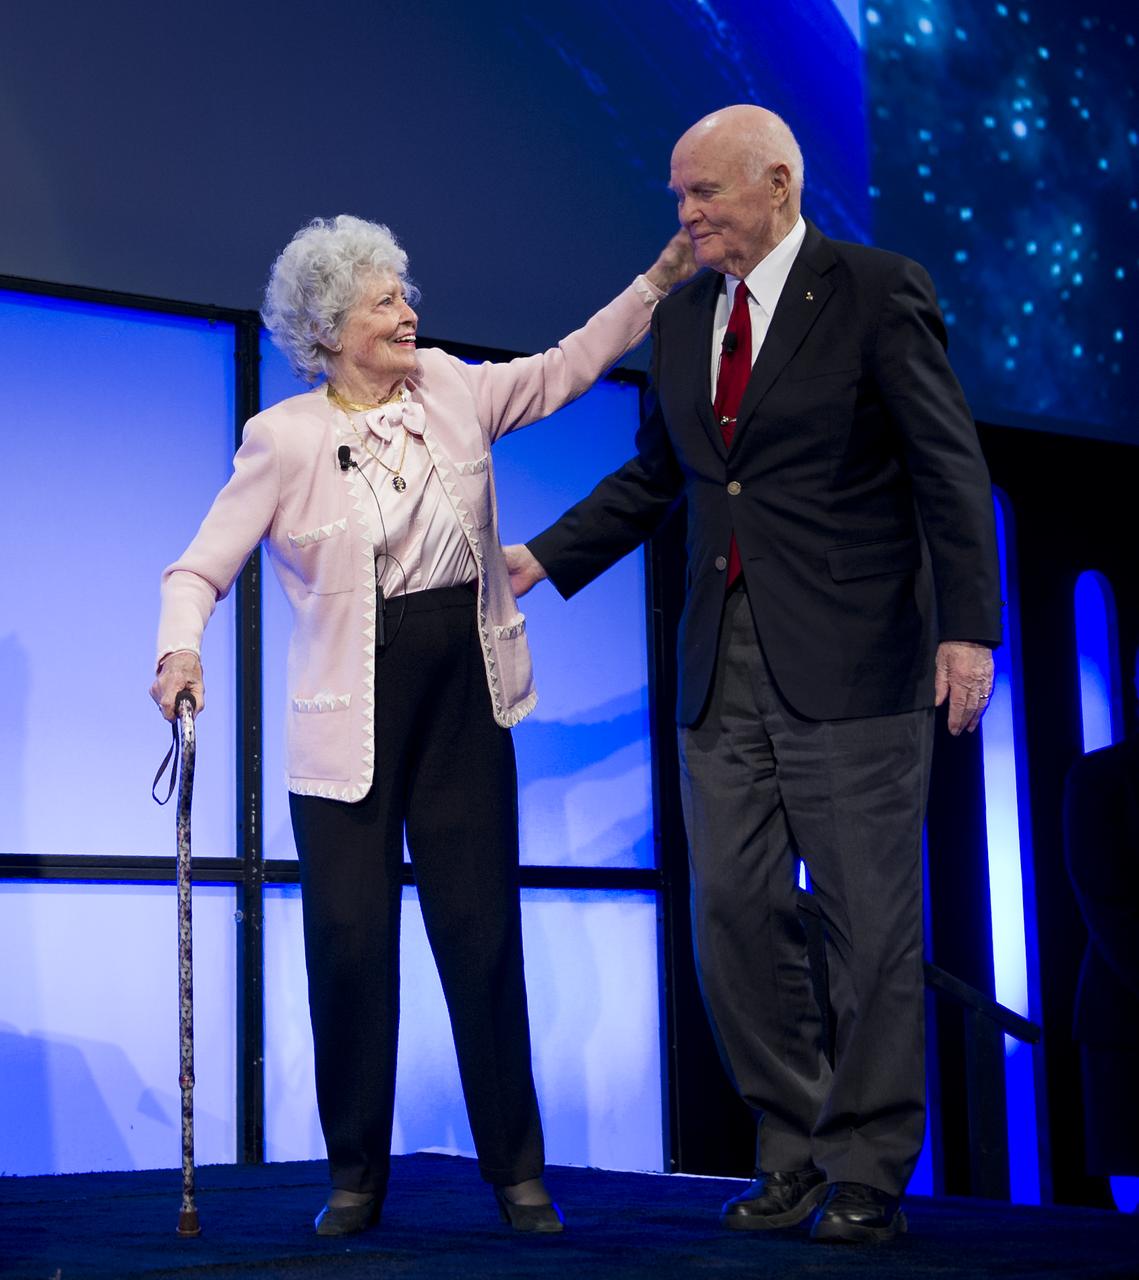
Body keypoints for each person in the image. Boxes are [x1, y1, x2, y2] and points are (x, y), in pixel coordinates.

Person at [506, 106, 1002, 1244]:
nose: (684, 218)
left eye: (703, 195)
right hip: (716, 663)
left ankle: (868, 1162)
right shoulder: (685, 318)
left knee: (868, 926)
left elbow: (946, 465)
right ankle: (789, 1148)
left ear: (775, 183)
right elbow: (659, 476)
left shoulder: (874, 289)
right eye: (677, 196)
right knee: (732, 914)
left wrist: (965, 627)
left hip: (854, 659)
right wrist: (543, 555)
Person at [150, 214, 694, 1236]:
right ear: (328, 328)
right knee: (351, 947)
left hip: (463, 692)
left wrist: (659, 277)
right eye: (385, 300)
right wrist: (180, 647)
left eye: (404, 294)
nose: (409, 312)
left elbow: (570, 365)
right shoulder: (283, 439)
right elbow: (197, 567)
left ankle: (517, 1171)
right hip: (346, 712)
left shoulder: (452, 384)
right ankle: (355, 1173)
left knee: (481, 935)